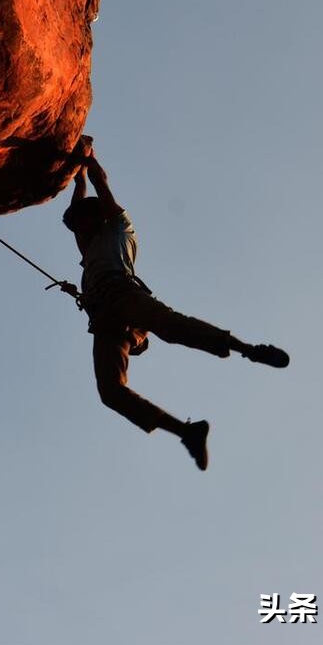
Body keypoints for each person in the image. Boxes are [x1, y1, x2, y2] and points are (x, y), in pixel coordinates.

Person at [63, 137, 289, 471]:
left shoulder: (119, 229)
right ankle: (186, 431)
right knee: (110, 392)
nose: (77, 232)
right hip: (105, 319)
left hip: (124, 296)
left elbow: (100, 184)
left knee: (171, 327)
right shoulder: (90, 244)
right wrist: (77, 173)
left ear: (94, 219)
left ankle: (248, 349)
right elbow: (81, 197)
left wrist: (89, 159)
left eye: (80, 224)